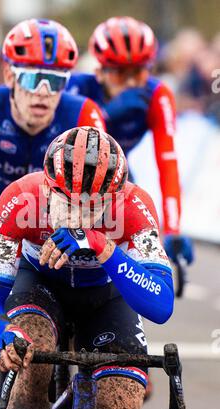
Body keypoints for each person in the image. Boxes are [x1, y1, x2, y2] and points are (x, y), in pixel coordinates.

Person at [0, 19, 105, 409]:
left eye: (56, 80)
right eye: (32, 78)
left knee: (76, 339)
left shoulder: (83, 113)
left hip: (58, 233)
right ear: (9, 75)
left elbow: (117, 191)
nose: (43, 92)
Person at [0, 126, 175, 409]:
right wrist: (3, 331)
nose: (79, 216)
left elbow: (161, 305)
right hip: (39, 288)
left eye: (94, 207)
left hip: (105, 297)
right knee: (29, 378)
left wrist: (101, 246)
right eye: (68, 204)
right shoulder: (19, 198)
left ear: (115, 198)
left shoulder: (135, 206)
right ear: (47, 187)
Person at [66, 16, 194, 266]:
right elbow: (65, 152)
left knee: (134, 211)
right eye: (120, 74)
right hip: (72, 172)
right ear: (99, 71)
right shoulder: (77, 88)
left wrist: (173, 228)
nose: (131, 83)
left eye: (139, 71)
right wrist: (104, 114)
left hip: (116, 167)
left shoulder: (157, 95)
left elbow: (167, 163)